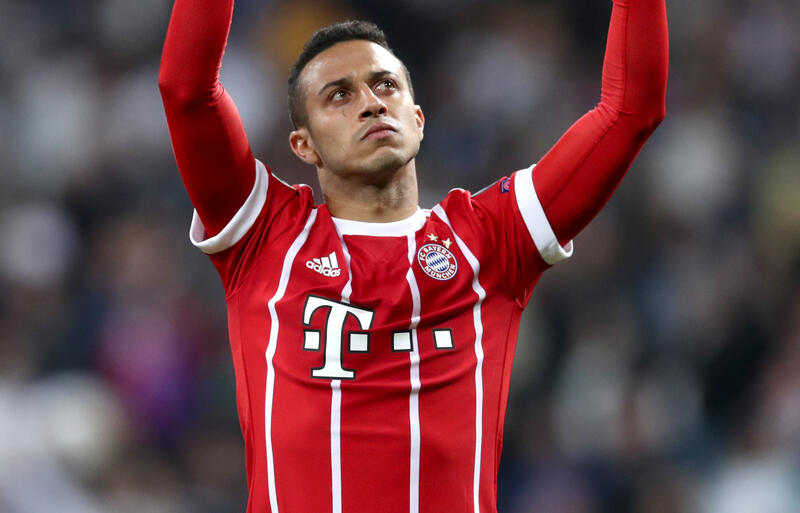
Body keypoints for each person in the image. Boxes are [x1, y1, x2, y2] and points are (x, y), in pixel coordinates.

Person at [158, 0, 667, 511]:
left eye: (386, 86)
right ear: (303, 145)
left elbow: (631, 110)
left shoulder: (492, 239)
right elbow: (186, 91)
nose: (371, 104)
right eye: (339, 95)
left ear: (418, 120)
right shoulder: (264, 234)